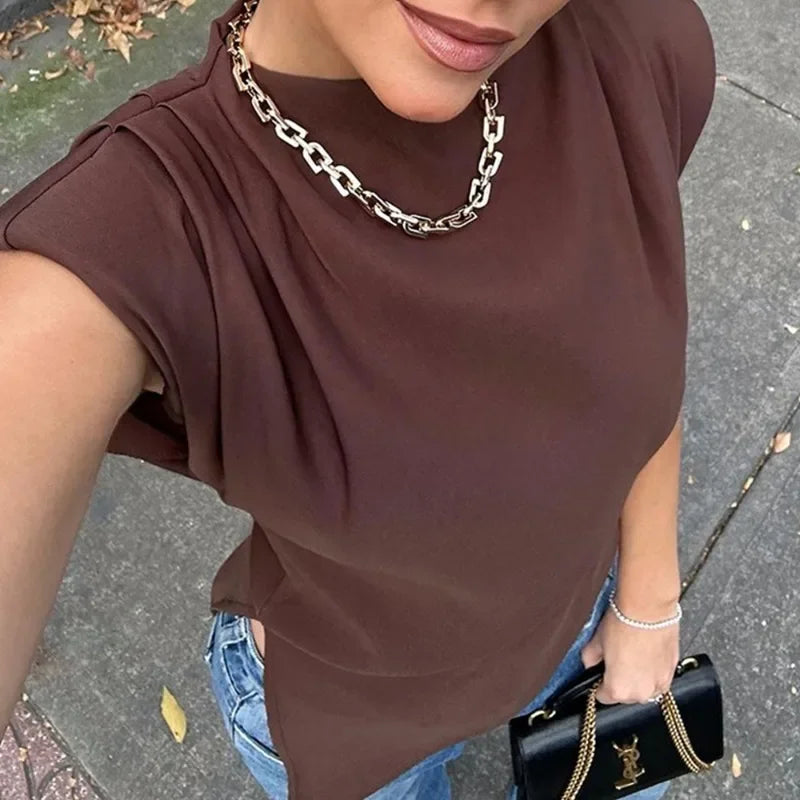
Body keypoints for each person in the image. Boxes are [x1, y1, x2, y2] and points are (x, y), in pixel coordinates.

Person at [0, 0, 716, 796]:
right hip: (353, 730)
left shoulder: (632, 46)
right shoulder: (128, 236)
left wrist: (649, 596)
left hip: (585, 631)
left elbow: (640, 336)